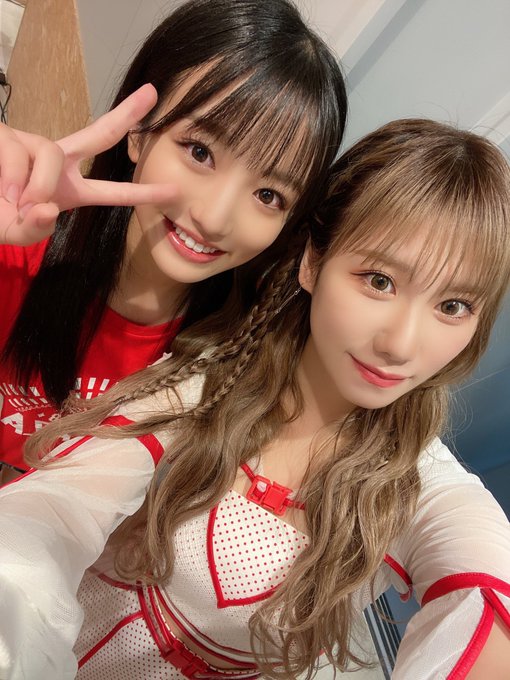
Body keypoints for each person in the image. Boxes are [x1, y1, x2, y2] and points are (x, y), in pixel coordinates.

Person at [1, 118, 510, 680]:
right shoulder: (209, 383)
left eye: (454, 306)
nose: (402, 345)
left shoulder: (422, 486)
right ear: (313, 262)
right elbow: (56, 512)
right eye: (379, 280)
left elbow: (485, 592)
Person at [0, 0, 347, 482]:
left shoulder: (239, 352)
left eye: (268, 195)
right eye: (200, 151)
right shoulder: (17, 256)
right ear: (138, 132)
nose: (213, 217)